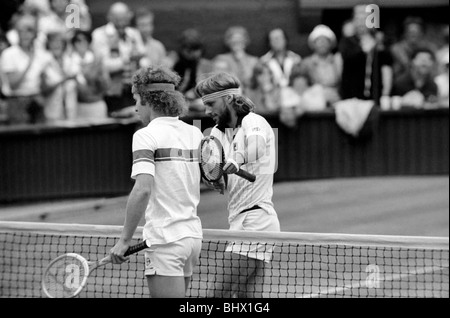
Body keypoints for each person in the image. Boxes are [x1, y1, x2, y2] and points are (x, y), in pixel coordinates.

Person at [109, 65, 204, 298]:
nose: (135, 107)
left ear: (148, 100)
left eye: (136, 99)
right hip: (192, 239)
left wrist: (124, 240)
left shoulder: (145, 135)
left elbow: (142, 190)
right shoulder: (195, 133)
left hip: (165, 242)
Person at [195, 72, 280, 298]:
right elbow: (217, 172)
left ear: (229, 99)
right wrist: (213, 179)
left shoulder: (254, 121)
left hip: (256, 222)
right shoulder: (215, 132)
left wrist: (238, 158)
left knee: (216, 296)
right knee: (247, 299)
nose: (206, 111)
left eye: (211, 104)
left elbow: (257, 147)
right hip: (239, 220)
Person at [91, 2, 145, 115]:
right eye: (117, 19)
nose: (121, 23)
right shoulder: (100, 34)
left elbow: (143, 55)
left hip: (134, 90)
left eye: (124, 19)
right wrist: (127, 58)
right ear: (110, 17)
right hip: (112, 91)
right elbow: (103, 65)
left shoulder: (133, 33)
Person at [0, 11, 54, 124]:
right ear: (17, 34)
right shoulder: (9, 54)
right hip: (17, 101)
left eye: (29, 31)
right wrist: (29, 62)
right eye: (22, 32)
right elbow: (13, 84)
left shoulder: (41, 54)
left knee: (42, 138)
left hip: (37, 99)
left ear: (34, 34)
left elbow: (44, 83)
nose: (25, 35)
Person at [338, 4, 393, 106]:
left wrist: (385, 94)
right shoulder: (347, 42)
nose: (361, 23)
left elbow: (386, 69)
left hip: (376, 96)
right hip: (352, 98)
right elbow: (345, 63)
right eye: (357, 19)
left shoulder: (379, 43)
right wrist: (363, 50)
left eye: (365, 18)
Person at [290, 24, 342, 111]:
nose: (322, 43)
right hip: (313, 105)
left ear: (330, 44)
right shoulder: (306, 63)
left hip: (336, 102)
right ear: (313, 44)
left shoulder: (338, 60)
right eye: (319, 40)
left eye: (325, 40)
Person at [71, 30, 110, 120]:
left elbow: (106, 85)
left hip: (97, 104)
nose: (81, 44)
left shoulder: (97, 60)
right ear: (74, 44)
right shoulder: (69, 61)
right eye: (78, 41)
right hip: (78, 106)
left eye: (85, 40)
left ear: (89, 42)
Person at [213, 26, 258, 95]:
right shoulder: (221, 59)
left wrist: (242, 60)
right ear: (228, 42)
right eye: (234, 41)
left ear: (245, 42)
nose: (237, 43)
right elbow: (220, 83)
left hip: (251, 99)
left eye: (240, 40)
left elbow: (252, 83)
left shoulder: (254, 61)